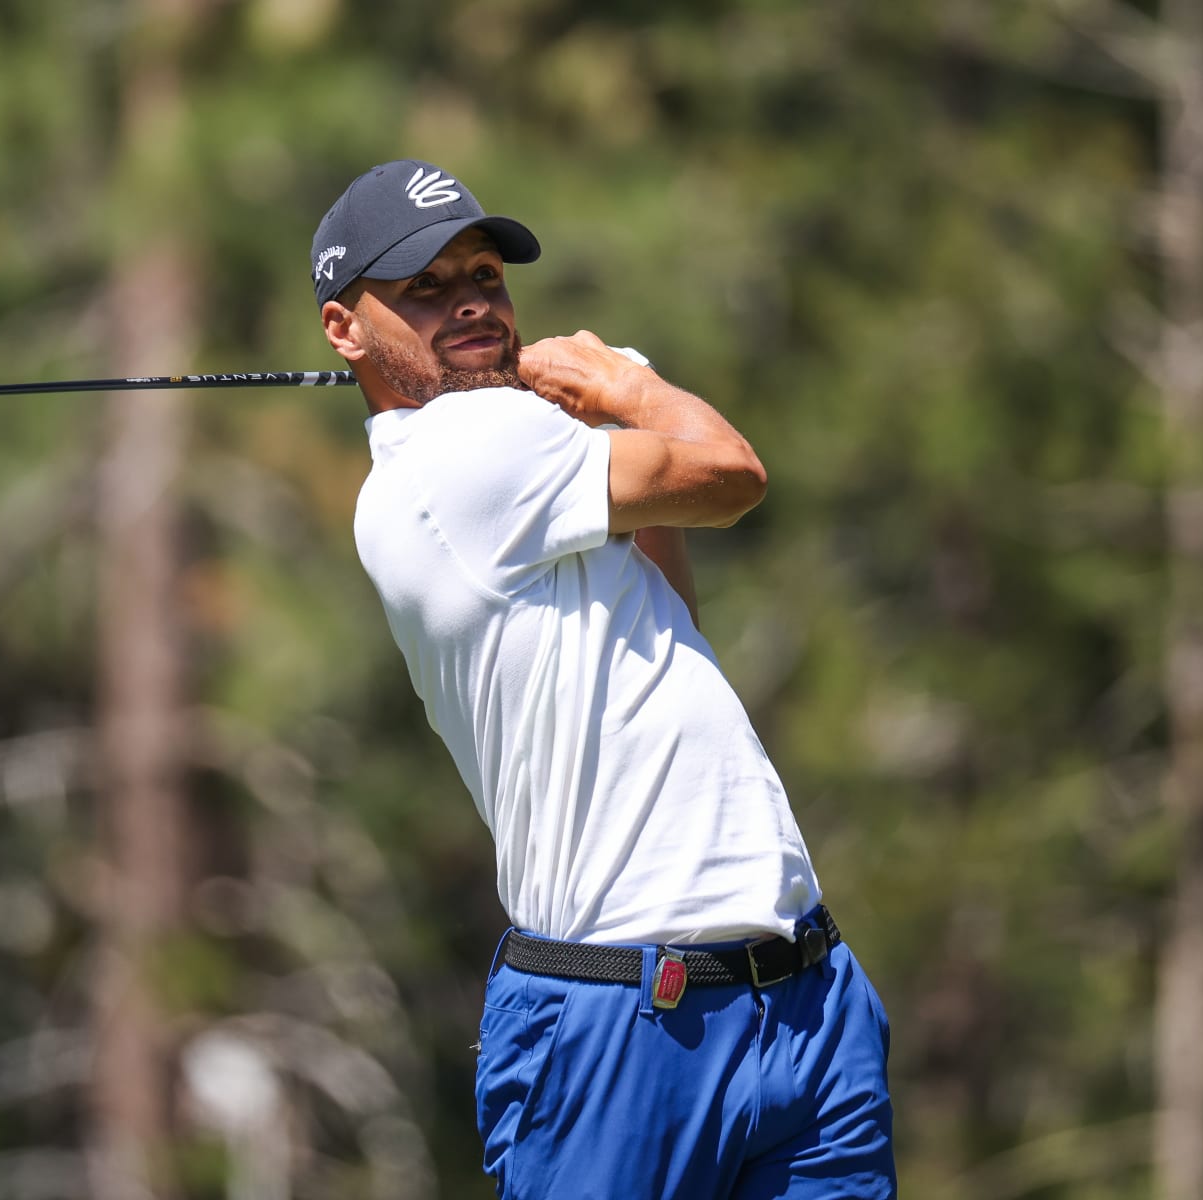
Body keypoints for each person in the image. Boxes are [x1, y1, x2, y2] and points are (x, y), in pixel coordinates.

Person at [311, 160, 895, 1198]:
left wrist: (599, 427)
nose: (471, 305)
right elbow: (732, 474)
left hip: (798, 989)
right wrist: (630, 388)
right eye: (424, 291)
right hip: (625, 1021)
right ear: (344, 331)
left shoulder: (518, 455)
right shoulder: (462, 451)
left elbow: (674, 614)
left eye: (483, 276)